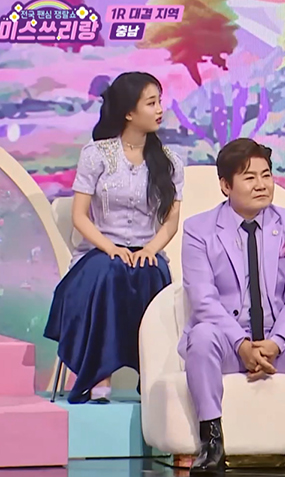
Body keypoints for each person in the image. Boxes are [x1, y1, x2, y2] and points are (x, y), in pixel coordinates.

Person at [179, 138, 285, 474]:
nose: (261, 185)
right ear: (225, 186)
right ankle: (211, 442)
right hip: (228, 343)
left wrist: (275, 343)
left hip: (278, 342)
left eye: (266, 175)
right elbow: (203, 300)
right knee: (200, 337)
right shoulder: (199, 229)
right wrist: (242, 345)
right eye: (249, 177)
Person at [44, 72, 183, 404]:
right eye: (151, 103)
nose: (160, 109)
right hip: (99, 252)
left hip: (147, 251)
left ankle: (151, 378)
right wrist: (111, 248)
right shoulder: (96, 154)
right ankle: (97, 375)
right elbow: (80, 216)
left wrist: (150, 249)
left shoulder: (170, 161)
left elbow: (171, 221)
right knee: (110, 273)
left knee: (150, 272)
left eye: (160, 101)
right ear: (129, 112)